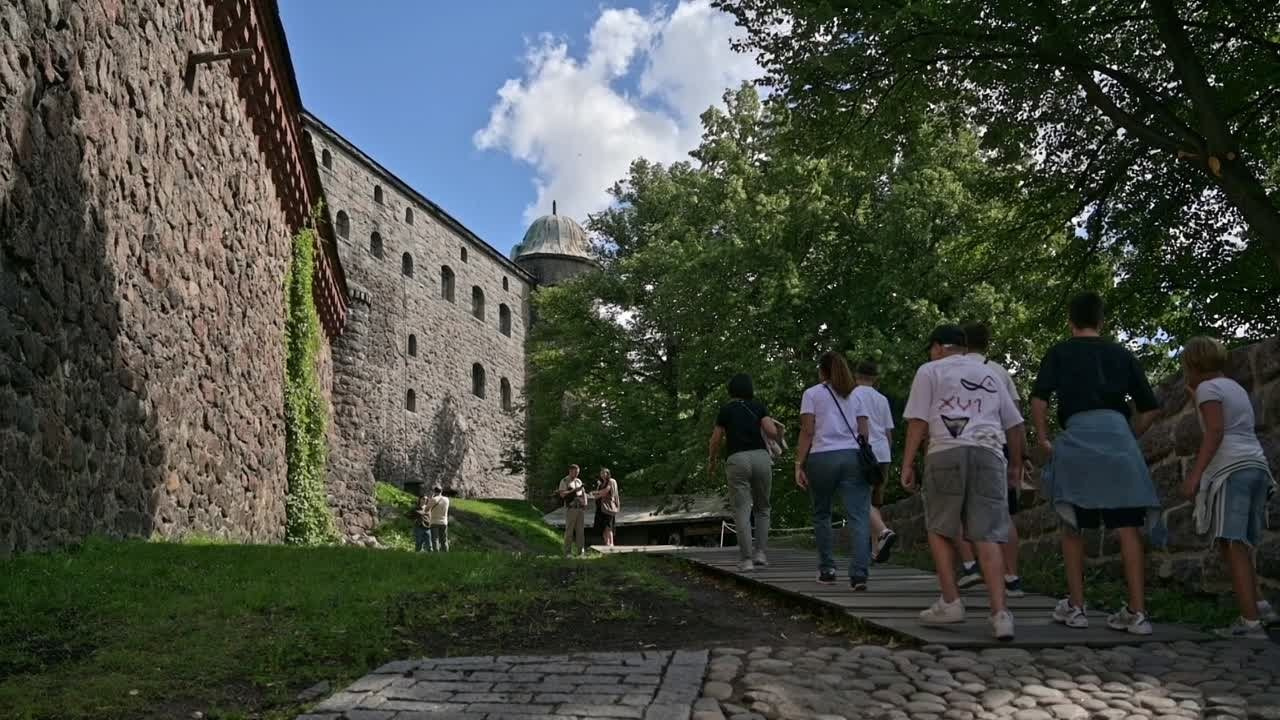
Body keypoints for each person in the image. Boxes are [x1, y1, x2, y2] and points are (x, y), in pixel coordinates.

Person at [1031, 291, 1161, 635]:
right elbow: (1150, 408)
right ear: (1101, 321)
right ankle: (1137, 612)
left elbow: (1039, 399)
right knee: (1128, 526)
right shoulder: (1122, 353)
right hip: (1118, 437)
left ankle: (1076, 607)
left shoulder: (1059, 352)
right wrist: (1128, 434)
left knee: (1073, 524)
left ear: (1070, 321)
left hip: (1078, 437)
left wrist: (1044, 437)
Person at [901, 324, 1025, 641]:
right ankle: (1000, 614)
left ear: (940, 347)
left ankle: (951, 601)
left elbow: (918, 421)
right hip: (988, 452)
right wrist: (1014, 466)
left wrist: (907, 463)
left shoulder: (930, 371)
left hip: (945, 450)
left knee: (940, 526)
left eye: (932, 348)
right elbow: (1015, 424)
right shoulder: (992, 374)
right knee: (988, 532)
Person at [1181, 336, 1278, 638]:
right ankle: (1260, 605)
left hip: (1230, 470)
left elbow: (1215, 431)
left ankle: (1250, 623)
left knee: (1233, 544)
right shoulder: (1233, 387)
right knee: (1234, 541)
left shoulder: (1208, 389)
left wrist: (1195, 475)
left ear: (1194, 364)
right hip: (1255, 465)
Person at [954, 321, 1026, 597]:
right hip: (999, 446)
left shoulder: (951, 371)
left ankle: (971, 567)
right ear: (987, 343)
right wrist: (1019, 458)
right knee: (1002, 512)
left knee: (959, 510)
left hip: (962, 444)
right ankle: (1011, 576)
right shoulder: (999, 372)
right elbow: (1016, 420)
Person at [795, 352, 873, 590]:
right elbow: (864, 431)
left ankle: (827, 569)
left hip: (822, 457)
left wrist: (799, 463)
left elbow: (808, 431)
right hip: (852, 458)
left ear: (822, 371)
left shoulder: (812, 394)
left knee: (822, 514)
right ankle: (859, 574)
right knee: (858, 516)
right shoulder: (856, 396)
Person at [709, 373, 782, 571]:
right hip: (760, 457)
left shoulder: (726, 410)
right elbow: (772, 432)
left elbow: (715, 440)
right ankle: (760, 553)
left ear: (731, 390)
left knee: (741, 509)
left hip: (737, 459)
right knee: (763, 508)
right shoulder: (758, 407)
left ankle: (747, 559)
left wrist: (712, 460)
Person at [851, 361, 897, 563]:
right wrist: (887, 452)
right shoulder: (882, 399)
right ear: (875, 378)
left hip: (863, 453)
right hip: (883, 453)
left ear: (856, 375)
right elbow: (888, 432)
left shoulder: (852, 396)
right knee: (874, 503)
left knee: (861, 500)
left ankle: (883, 533)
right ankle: (876, 549)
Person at [557, 465, 588, 557]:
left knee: (580, 531)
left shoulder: (579, 481)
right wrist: (573, 490)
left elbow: (583, 492)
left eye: (578, 472)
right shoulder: (564, 481)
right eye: (575, 472)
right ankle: (567, 552)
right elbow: (562, 494)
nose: (576, 474)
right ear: (570, 471)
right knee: (569, 531)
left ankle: (581, 552)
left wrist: (585, 502)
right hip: (571, 508)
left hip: (580, 508)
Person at [592, 468, 621, 547]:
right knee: (602, 526)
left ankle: (611, 543)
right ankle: (606, 543)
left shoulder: (611, 481)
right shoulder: (601, 483)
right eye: (601, 473)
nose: (602, 474)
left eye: (604, 473)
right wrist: (590, 496)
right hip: (600, 507)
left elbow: (605, 492)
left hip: (608, 507)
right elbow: (598, 496)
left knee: (608, 526)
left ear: (608, 474)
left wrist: (595, 492)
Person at [425, 485, 450, 552]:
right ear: (441, 491)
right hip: (444, 522)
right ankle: (446, 553)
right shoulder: (447, 499)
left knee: (435, 539)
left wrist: (431, 498)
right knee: (444, 539)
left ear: (434, 491)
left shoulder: (433, 499)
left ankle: (436, 554)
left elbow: (426, 509)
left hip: (434, 522)